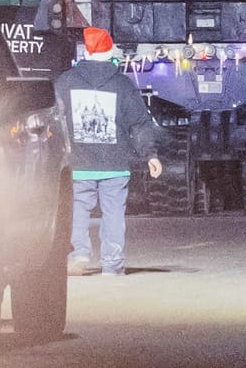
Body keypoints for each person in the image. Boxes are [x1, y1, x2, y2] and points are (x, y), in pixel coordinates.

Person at [51, 27, 163, 276]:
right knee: (113, 213)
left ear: (87, 51)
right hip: (115, 163)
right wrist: (151, 155)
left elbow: (55, 120)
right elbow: (139, 123)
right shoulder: (122, 84)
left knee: (77, 209)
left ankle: (78, 254)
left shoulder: (65, 82)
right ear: (109, 51)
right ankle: (112, 265)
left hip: (78, 163)